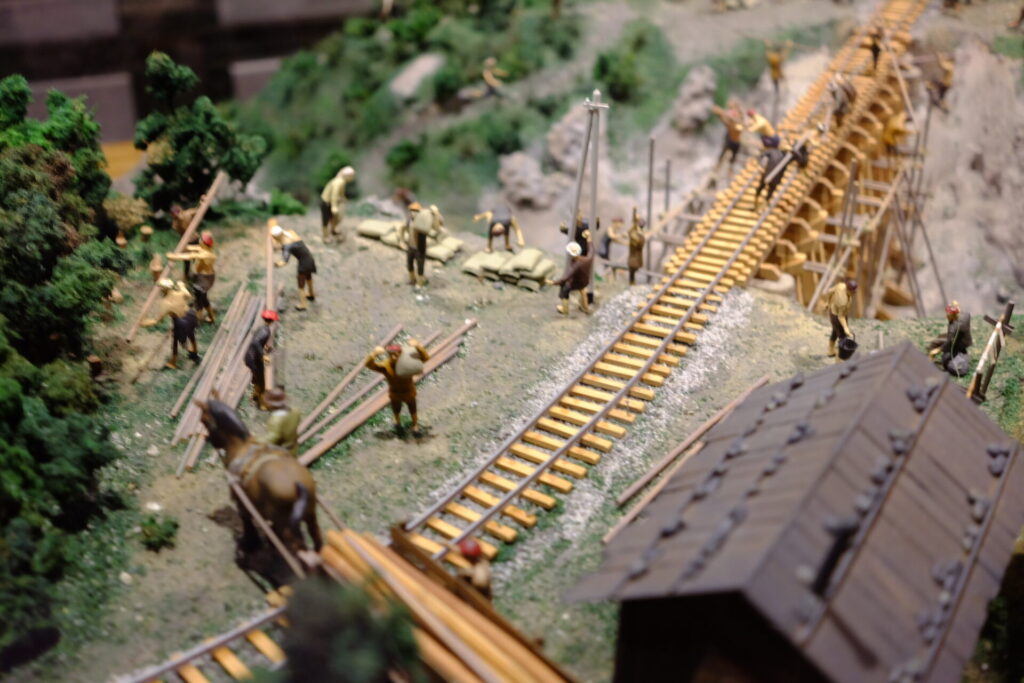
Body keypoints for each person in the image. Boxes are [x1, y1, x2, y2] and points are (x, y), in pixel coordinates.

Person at [366, 340, 430, 436]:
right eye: (391, 355)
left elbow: (425, 358)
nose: (393, 357)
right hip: (395, 393)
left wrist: (418, 347)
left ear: (400, 354)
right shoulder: (386, 366)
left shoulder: (407, 362)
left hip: (408, 391)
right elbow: (369, 365)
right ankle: (397, 422)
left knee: (412, 408)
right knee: (396, 408)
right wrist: (373, 354)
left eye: (396, 355)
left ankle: (415, 424)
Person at [141, 279, 199, 370]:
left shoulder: (165, 303)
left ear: (164, 290)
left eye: (161, 288)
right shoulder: (180, 293)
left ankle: (173, 362)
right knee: (191, 334)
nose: (161, 290)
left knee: (175, 341)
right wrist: (182, 286)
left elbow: (157, 321)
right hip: (190, 315)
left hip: (180, 322)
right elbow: (188, 295)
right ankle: (194, 351)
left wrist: (143, 323)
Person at [166, 230, 217, 323]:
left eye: (201, 240)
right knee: (204, 299)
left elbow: (188, 256)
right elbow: (191, 248)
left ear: (204, 244)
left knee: (199, 301)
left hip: (204, 280)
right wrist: (185, 246)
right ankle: (212, 317)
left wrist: (172, 256)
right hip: (205, 277)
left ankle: (197, 321)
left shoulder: (205, 254)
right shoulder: (204, 249)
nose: (199, 241)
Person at [270, 218, 317, 311]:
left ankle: (303, 304)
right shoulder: (291, 233)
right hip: (310, 259)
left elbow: (285, 261)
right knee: (308, 277)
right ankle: (311, 293)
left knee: (300, 284)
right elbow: (292, 245)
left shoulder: (287, 246)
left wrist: (276, 264)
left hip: (303, 264)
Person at [548, 231, 595, 316]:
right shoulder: (587, 259)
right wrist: (589, 238)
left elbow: (565, 278)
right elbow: (591, 250)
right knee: (582, 290)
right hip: (585, 281)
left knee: (565, 288)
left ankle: (565, 309)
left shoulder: (575, 266)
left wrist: (553, 282)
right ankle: (585, 307)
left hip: (576, 283)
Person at [399, 202, 446, 287]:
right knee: (409, 264)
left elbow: (437, 228)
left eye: (416, 211)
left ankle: (420, 283)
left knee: (420, 267)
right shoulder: (409, 221)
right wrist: (401, 241)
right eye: (412, 211)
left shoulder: (424, 223)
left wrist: (435, 214)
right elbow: (402, 228)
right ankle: (412, 279)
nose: (413, 213)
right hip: (410, 247)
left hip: (420, 249)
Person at [245, 309, 278, 410]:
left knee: (256, 377)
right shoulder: (266, 331)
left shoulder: (261, 328)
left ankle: (255, 394)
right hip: (254, 359)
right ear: (272, 321)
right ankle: (262, 403)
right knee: (261, 382)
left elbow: (257, 340)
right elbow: (255, 342)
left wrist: (265, 346)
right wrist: (263, 355)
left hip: (249, 357)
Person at [609, 207, 651, 285]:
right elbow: (630, 231)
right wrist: (634, 213)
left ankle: (632, 282)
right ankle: (631, 282)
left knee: (633, 269)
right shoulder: (637, 234)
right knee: (632, 270)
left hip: (635, 256)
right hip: (634, 256)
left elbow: (631, 233)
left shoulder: (639, 235)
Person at [930, 301, 973, 375]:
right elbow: (968, 314)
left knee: (946, 356)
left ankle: (932, 357)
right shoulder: (965, 316)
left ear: (954, 315)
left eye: (949, 315)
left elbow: (949, 342)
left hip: (959, 343)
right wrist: (957, 307)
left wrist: (938, 350)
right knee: (939, 338)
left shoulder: (954, 328)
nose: (947, 316)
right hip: (965, 339)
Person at [320, 166, 356, 242]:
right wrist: (334, 207)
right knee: (326, 220)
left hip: (331, 202)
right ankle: (325, 237)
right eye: (351, 176)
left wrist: (343, 198)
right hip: (326, 202)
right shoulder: (339, 181)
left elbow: (340, 193)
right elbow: (334, 194)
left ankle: (333, 230)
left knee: (335, 218)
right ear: (347, 175)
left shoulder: (342, 181)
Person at [262, 388, 302, 456]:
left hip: (280, 453)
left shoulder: (275, 421)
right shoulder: (295, 411)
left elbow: (273, 438)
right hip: (293, 447)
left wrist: (257, 440)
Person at [823, 279, 857, 358]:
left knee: (835, 331)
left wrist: (827, 302)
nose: (854, 293)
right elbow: (840, 317)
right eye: (853, 291)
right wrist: (846, 328)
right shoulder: (843, 301)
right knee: (842, 336)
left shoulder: (841, 285)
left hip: (840, 312)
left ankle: (830, 350)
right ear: (848, 290)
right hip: (836, 315)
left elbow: (830, 291)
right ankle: (842, 355)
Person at [712, 101, 744, 173]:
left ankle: (729, 169)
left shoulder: (738, 116)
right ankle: (717, 168)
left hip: (735, 140)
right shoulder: (730, 114)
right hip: (730, 138)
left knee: (732, 156)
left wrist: (724, 115)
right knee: (723, 153)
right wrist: (721, 115)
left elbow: (738, 122)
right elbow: (726, 121)